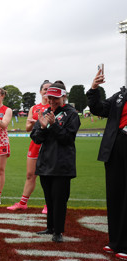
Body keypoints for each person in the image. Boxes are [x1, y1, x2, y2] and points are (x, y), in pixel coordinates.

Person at [31, 81, 80, 243]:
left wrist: (54, 125)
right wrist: (43, 127)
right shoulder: (45, 112)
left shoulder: (72, 114)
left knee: (59, 200)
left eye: (55, 98)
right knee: (49, 199)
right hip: (45, 163)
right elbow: (36, 138)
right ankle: (50, 227)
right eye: (49, 98)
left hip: (62, 164)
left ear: (63, 96)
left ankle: (58, 232)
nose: (52, 101)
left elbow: (67, 138)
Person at [86, 69, 127, 260]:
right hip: (114, 148)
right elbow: (98, 109)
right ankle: (115, 241)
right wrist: (94, 88)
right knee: (115, 194)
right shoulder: (121, 95)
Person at [7, 80, 51, 212]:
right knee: (30, 175)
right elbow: (27, 128)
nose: (47, 92)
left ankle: (49, 204)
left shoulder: (55, 107)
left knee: (48, 175)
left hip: (49, 145)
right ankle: (22, 203)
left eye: (50, 89)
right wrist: (32, 123)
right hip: (35, 144)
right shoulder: (34, 108)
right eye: (45, 89)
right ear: (40, 91)